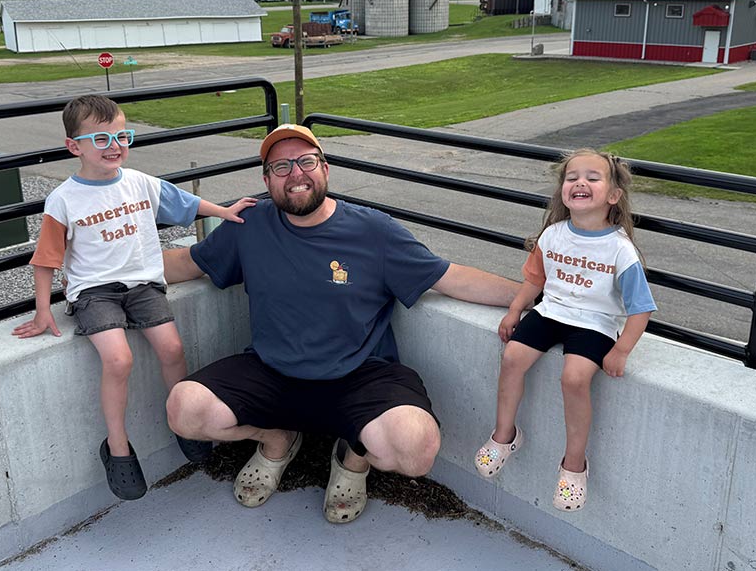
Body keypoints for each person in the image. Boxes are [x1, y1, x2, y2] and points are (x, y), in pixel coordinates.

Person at [162, 124, 520, 524]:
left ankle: (354, 456)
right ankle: (276, 439)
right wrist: (108, 271)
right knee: (184, 410)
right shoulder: (250, 225)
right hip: (272, 369)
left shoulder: (373, 230)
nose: (295, 174)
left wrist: (531, 297)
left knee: (416, 450)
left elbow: (450, 277)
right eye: (281, 166)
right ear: (266, 180)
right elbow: (188, 263)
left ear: (325, 168)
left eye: (306, 161)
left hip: (359, 374)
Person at [12, 94, 256, 501]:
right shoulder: (64, 199)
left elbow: (185, 203)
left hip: (143, 287)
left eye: (122, 136)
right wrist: (42, 312)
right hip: (94, 293)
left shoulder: (140, 182)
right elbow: (46, 259)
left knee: (172, 349)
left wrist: (224, 211)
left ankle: (184, 423)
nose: (114, 147)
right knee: (118, 359)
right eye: (101, 139)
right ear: (74, 146)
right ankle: (118, 446)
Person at [473, 149, 656, 512]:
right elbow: (535, 279)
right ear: (562, 191)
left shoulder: (620, 250)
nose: (580, 183)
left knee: (574, 378)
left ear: (614, 195)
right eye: (572, 177)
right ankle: (505, 435)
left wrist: (621, 350)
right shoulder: (553, 235)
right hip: (551, 312)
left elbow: (641, 308)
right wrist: (515, 310)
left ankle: (574, 465)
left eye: (592, 177)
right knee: (512, 357)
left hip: (595, 322)